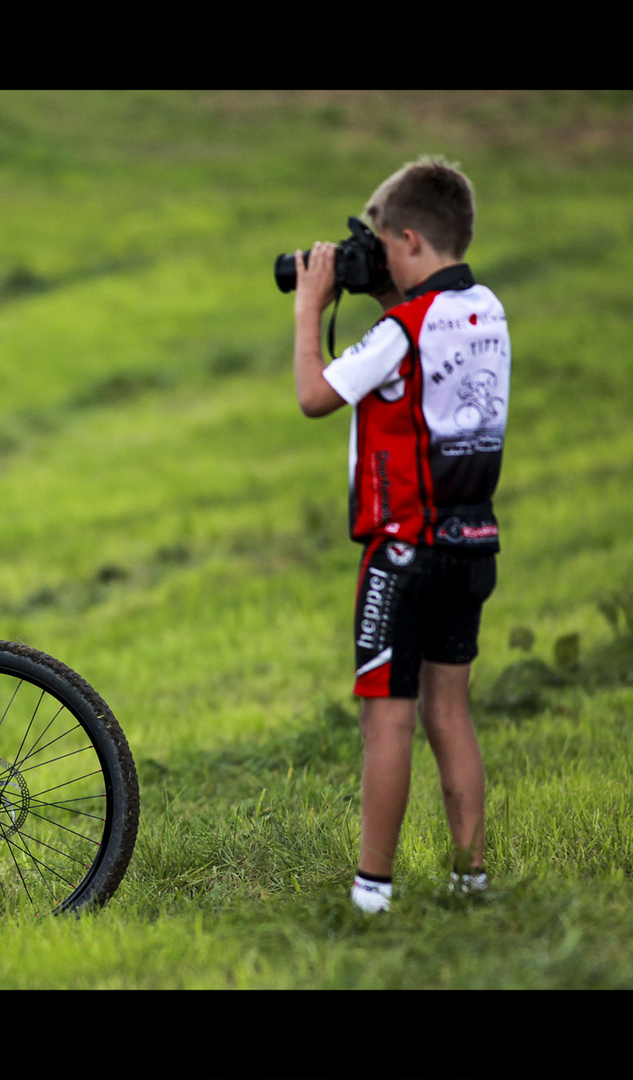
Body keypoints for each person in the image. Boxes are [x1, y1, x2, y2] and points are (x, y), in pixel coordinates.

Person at [291, 157, 508, 913]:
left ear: (408, 239)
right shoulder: (488, 311)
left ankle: (371, 896)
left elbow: (316, 396)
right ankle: (469, 879)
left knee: (387, 716)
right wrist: (389, 291)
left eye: (381, 245)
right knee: (450, 712)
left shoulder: (400, 330)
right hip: (472, 540)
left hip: (402, 552)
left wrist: (310, 306)